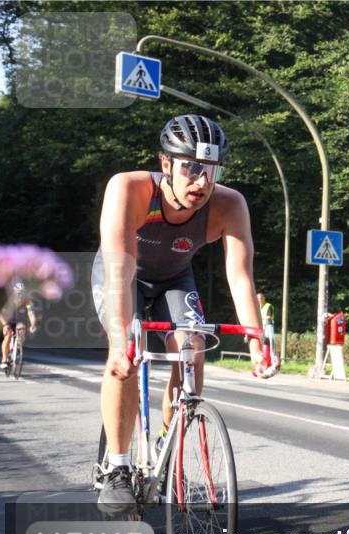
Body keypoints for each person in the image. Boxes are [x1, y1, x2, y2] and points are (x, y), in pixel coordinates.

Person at [92, 114, 278, 513]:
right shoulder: (129, 189)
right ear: (166, 164)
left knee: (192, 348)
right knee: (125, 354)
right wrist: (122, 337)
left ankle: (167, 439)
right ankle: (118, 468)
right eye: (191, 168)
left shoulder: (230, 205)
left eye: (211, 170)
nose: (201, 182)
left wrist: (257, 340)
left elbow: (240, 276)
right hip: (122, 275)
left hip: (175, 278)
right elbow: (119, 272)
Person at [0, 281, 38, 369]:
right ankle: (4, 360)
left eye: (22, 294)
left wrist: (33, 325)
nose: (20, 296)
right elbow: (1, 315)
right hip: (9, 320)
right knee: (8, 336)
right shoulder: (9, 301)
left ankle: (17, 347)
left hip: (20, 321)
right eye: (18, 294)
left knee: (22, 329)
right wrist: (5, 325)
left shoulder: (28, 302)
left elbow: (31, 314)